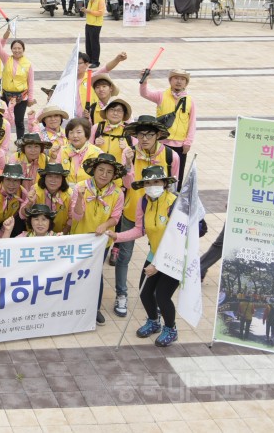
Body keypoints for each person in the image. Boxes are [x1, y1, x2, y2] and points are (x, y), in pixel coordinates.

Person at [109, 165, 181, 347]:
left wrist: (158, 265)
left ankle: (171, 329)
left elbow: (179, 239)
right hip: (154, 254)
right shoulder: (143, 202)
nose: (151, 186)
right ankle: (153, 321)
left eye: (156, 182)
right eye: (148, 183)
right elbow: (139, 230)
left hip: (174, 257)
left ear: (165, 183)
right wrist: (117, 236)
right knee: (145, 293)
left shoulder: (175, 203)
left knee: (162, 296)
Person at [70, 152, 126, 326]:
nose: (104, 175)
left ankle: (95, 309)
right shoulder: (80, 186)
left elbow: (116, 217)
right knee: (74, 273)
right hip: (79, 239)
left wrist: (105, 225)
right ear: (93, 170)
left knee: (95, 273)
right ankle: (71, 306)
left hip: (102, 242)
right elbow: (76, 216)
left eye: (109, 172)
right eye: (100, 170)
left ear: (114, 175)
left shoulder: (117, 193)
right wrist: (80, 198)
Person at [139, 68, 196, 189]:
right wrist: (144, 81)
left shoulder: (190, 100)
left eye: (182, 79)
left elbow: (192, 123)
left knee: (177, 177)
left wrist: (188, 142)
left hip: (180, 145)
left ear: (186, 83)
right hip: (161, 143)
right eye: (176, 78)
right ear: (170, 80)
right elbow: (145, 93)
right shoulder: (161, 95)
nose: (179, 82)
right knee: (160, 173)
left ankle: (174, 200)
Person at [0, 35, 35, 139]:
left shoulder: (28, 64)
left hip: (21, 98)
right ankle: (2, 140)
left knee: (19, 121)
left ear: (23, 49)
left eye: (19, 48)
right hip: (6, 96)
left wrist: (30, 98)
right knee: (3, 119)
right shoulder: (7, 59)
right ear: (11, 49)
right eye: (14, 48)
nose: (17, 50)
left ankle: (20, 142)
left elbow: (31, 82)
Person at [84, 0, 106, 67]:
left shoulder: (101, 0)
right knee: (88, 43)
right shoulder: (91, 0)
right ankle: (89, 60)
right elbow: (89, 10)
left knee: (94, 43)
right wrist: (85, 10)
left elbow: (100, 13)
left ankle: (95, 61)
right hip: (89, 23)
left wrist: (89, 11)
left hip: (96, 25)